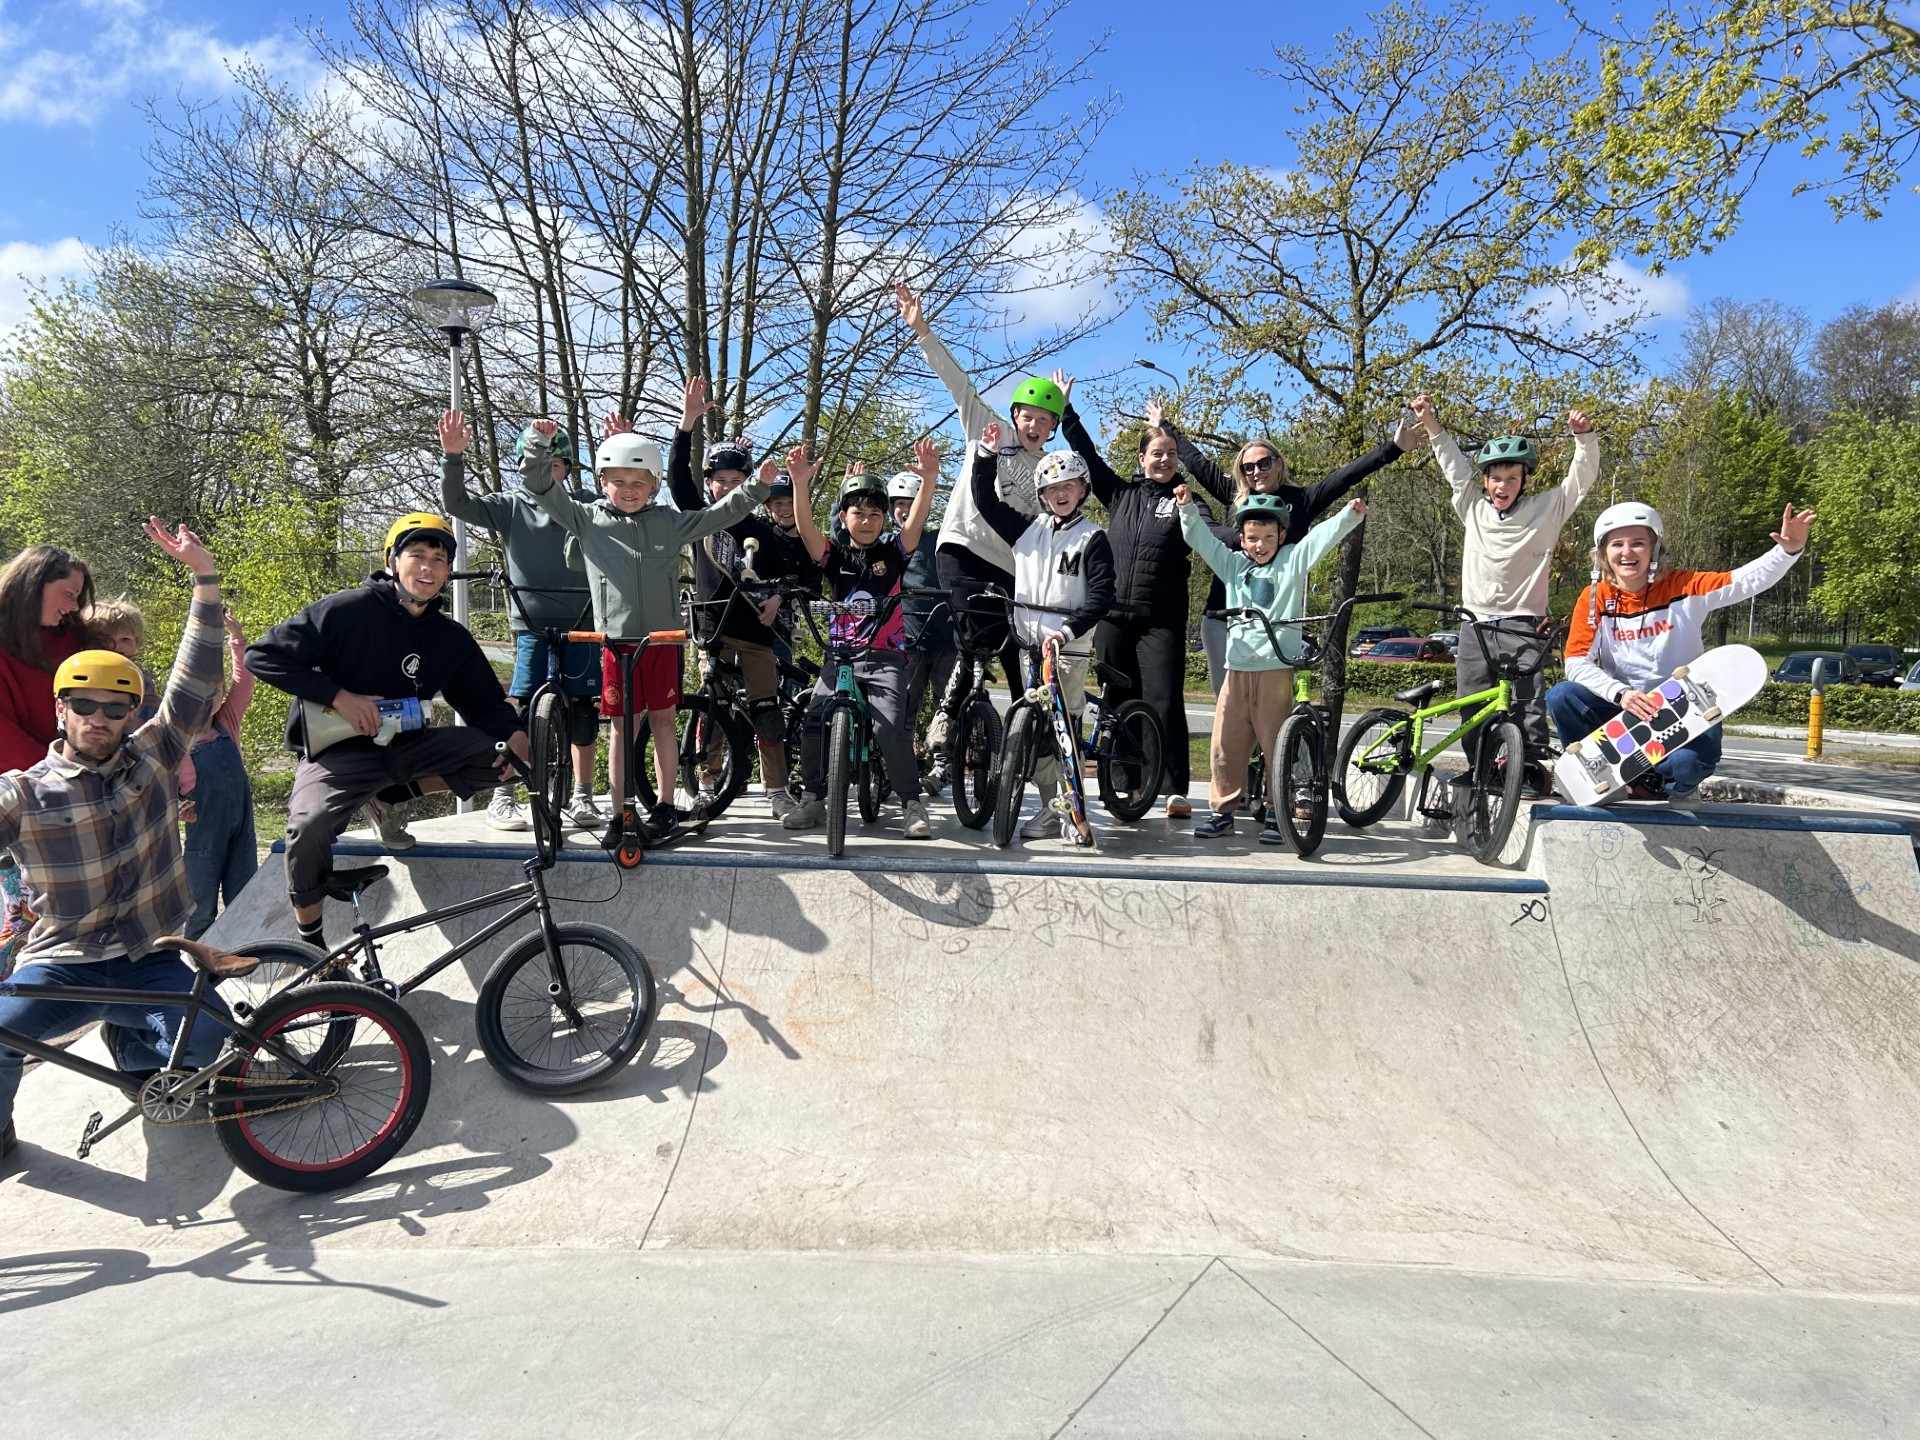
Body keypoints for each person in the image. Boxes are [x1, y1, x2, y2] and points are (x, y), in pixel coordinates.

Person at [0, 519, 228, 1161]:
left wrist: (205, 580)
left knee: (206, 1044)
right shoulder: (23, 792)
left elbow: (195, 677)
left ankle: (131, 1048)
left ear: (133, 714)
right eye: (84, 706)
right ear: (61, 709)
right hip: (63, 964)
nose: (98, 719)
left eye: (114, 708)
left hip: (149, 958)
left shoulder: (155, 753)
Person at [247, 513, 531, 949]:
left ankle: (391, 797)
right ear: (392, 561)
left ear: (448, 571)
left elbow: (483, 704)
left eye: (439, 559)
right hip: (339, 753)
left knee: (497, 758)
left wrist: (515, 736)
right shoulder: (345, 610)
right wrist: (340, 697)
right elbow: (263, 656)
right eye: (417, 555)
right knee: (309, 826)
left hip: (410, 748)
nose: (428, 567)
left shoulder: (450, 637)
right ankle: (311, 942)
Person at [521, 418, 769, 841]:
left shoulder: (668, 523)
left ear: (654, 484)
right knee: (622, 729)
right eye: (618, 481)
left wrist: (758, 486)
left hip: (661, 642)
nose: (629, 490)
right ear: (602, 482)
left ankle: (666, 806)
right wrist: (537, 444)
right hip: (616, 646)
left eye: (639, 482)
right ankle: (621, 813)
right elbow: (540, 487)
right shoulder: (587, 519)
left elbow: (720, 514)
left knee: (663, 724)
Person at [891, 282, 1060, 771]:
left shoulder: (1050, 467)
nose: (1033, 426)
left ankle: (1028, 736)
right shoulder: (988, 428)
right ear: (1015, 415)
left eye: (1045, 421)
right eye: (1028, 417)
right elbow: (957, 382)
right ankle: (946, 716)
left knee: (1012, 650)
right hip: (962, 549)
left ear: (1052, 427)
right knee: (971, 640)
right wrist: (921, 329)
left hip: (1008, 567)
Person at [1550, 500, 1815, 800]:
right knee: (1562, 695)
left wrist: (1787, 551)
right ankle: (1605, 779)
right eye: (1617, 544)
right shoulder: (1595, 596)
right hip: (1624, 708)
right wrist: (1620, 693)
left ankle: (1674, 787)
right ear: (1603, 553)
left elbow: (1744, 581)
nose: (1627, 552)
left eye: (1638, 543)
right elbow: (1576, 662)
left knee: (1687, 765)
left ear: (1654, 549)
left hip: (1684, 709)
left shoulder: (1685, 585)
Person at [1155, 401, 1423, 692]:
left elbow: (1346, 475)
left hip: (1276, 624)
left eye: (1264, 463)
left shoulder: (1302, 500)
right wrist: (1165, 426)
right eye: (1248, 467)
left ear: (1278, 463)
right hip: (1224, 618)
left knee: (1275, 707)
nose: (1256, 471)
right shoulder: (1235, 495)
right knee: (1228, 702)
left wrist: (1393, 448)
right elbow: (1197, 462)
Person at [1060, 384, 1233, 818]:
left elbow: (1213, 534)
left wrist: (1251, 537)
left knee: (1164, 700)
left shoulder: (1186, 501)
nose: (1165, 460)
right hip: (1114, 618)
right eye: (1157, 453)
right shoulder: (1120, 495)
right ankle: (1124, 785)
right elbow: (1088, 457)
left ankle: (1172, 788)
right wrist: (1067, 412)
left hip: (1161, 620)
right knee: (1119, 703)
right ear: (1142, 458)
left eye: (1171, 454)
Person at [1412, 397, 1599, 795]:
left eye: (1512, 479)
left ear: (1524, 481)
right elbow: (1453, 467)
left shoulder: (1546, 509)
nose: (1502, 486)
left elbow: (1579, 481)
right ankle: (1480, 767)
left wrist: (1584, 439)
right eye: (1496, 478)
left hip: (1521, 620)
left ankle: (1527, 767)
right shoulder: (1472, 507)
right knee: (1472, 701)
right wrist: (1431, 425)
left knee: (1528, 700)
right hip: (1474, 622)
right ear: (1486, 481)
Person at [440, 410, 606, 833]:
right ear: (523, 467)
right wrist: (453, 457)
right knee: (519, 709)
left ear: (567, 469)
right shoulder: (510, 505)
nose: (548, 473)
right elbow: (456, 504)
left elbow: (625, 506)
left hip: (582, 621)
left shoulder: (585, 505)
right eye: (539, 464)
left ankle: (583, 795)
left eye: (556, 465)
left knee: (583, 714)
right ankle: (503, 794)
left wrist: (616, 450)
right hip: (531, 623)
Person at [1177, 487, 1367, 842]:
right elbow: (1202, 540)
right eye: (1252, 538)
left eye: (1268, 537)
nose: (1260, 545)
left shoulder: (1292, 561)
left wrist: (1349, 515)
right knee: (1225, 747)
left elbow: (1319, 540)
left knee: (1276, 747)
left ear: (1281, 536)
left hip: (1275, 669)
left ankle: (1276, 813)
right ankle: (1222, 812)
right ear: (1242, 539)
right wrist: (1187, 508)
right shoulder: (1234, 565)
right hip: (1237, 669)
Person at [659, 380, 807, 819]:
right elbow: (676, 477)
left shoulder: (761, 529)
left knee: (767, 711)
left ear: (749, 484)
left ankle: (776, 790)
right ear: (709, 485)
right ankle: (708, 783)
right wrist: (687, 424)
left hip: (754, 630)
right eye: (720, 482)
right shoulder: (699, 519)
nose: (727, 488)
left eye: (736, 481)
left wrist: (776, 599)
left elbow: (786, 575)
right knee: (713, 709)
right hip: (713, 630)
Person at [781, 437, 940, 841]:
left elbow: (916, 522)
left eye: (875, 514)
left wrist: (929, 478)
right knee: (814, 720)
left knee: (889, 729)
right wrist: (799, 484)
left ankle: (910, 803)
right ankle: (813, 798)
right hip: (840, 657)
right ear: (843, 516)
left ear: (884, 519)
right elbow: (806, 528)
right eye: (858, 514)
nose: (866, 521)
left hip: (885, 657)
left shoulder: (894, 553)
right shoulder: (834, 556)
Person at [967, 429, 1115, 842]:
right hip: (1029, 648)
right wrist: (985, 457)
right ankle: (1051, 807)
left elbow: (1101, 596)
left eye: (1068, 486)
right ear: (1042, 494)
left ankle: (1072, 814)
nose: (1060, 494)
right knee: (1036, 731)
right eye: (1051, 489)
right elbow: (985, 502)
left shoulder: (1093, 538)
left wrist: (1066, 632)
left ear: (1082, 489)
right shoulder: (1027, 530)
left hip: (1067, 649)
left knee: (1062, 730)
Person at [178, 608, 258, 939]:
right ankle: (195, 960)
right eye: (197, 691)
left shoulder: (227, 722)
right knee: (200, 908)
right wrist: (176, 806)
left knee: (244, 897)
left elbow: (244, 681)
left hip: (241, 831)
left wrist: (236, 638)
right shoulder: (174, 739)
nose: (206, 698)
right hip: (203, 839)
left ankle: (242, 951)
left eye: (214, 691)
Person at [0, 544, 96, 773]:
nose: (74, 607)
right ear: (35, 583)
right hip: (22, 783)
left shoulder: (70, 640)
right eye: (69, 594)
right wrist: (56, 773)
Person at [889, 469, 958, 786]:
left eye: (912, 502)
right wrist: (841, 501)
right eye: (899, 504)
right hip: (909, 640)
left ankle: (944, 767)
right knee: (903, 707)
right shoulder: (890, 545)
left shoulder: (940, 539)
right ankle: (898, 770)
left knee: (948, 708)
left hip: (946, 638)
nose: (905, 510)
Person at [92, 597, 161, 723]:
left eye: (125, 639)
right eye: (106, 639)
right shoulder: (87, 672)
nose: (116, 646)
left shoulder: (139, 677)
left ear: (136, 642)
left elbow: (153, 706)